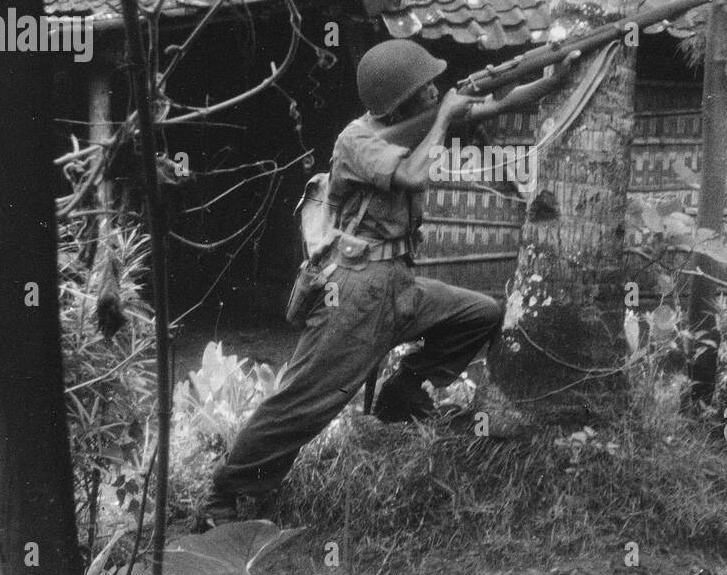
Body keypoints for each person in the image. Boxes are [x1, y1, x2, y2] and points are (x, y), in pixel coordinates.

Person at [203, 38, 505, 527]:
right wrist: (447, 117)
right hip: (353, 289)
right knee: (307, 400)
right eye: (426, 88)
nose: (435, 92)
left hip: (399, 284)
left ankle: (402, 393)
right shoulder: (356, 139)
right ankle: (227, 490)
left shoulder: (418, 122)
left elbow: (502, 102)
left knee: (481, 313)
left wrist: (546, 76)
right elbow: (412, 177)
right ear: (400, 99)